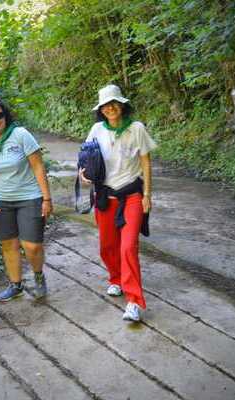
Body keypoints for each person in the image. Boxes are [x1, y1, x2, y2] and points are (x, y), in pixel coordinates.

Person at [79, 84, 157, 322]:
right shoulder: (96, 129)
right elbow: (85, 157)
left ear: (122, 105)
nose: (110, 108)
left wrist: (147, 195)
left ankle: (134, 301)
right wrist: (82, 174)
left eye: (114, 103)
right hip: (104, 196)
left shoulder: (136, 129)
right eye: (105, 105)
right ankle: (116, 279)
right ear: (101, 109)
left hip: (131, 195)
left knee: (128, 247)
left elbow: (146, 163)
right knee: (107, 246)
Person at [0, 96, 53, 301]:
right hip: (0, 202)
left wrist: (47, 199)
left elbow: (38, 166)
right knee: (8, 244)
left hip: (30, 197)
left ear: (5, 116)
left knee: (32, 245)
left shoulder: (20, 135)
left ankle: (39, 276)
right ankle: (15, 285)